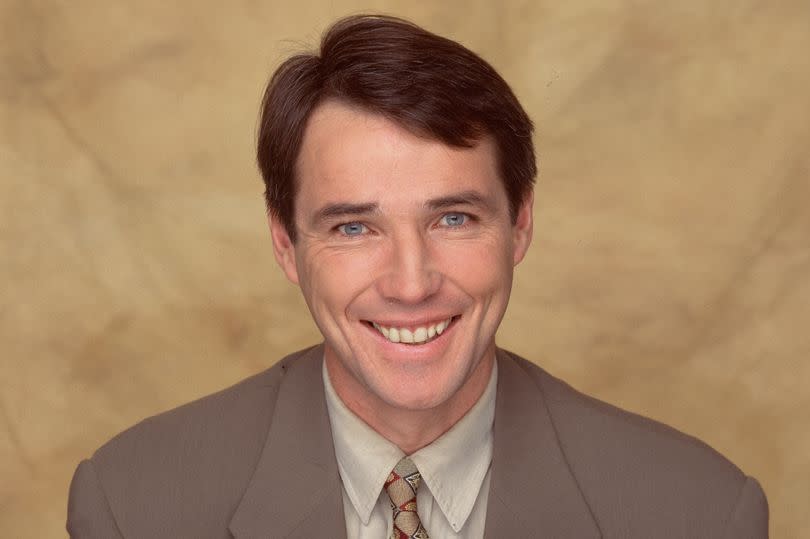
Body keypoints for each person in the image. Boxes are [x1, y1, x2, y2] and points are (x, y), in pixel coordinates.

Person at [67, 14, 768, 539]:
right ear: (285, 243)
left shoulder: (698, 511)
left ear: (520, 222)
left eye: (454, 218)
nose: (410, 282)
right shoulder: (134, 506)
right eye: (353, 226)